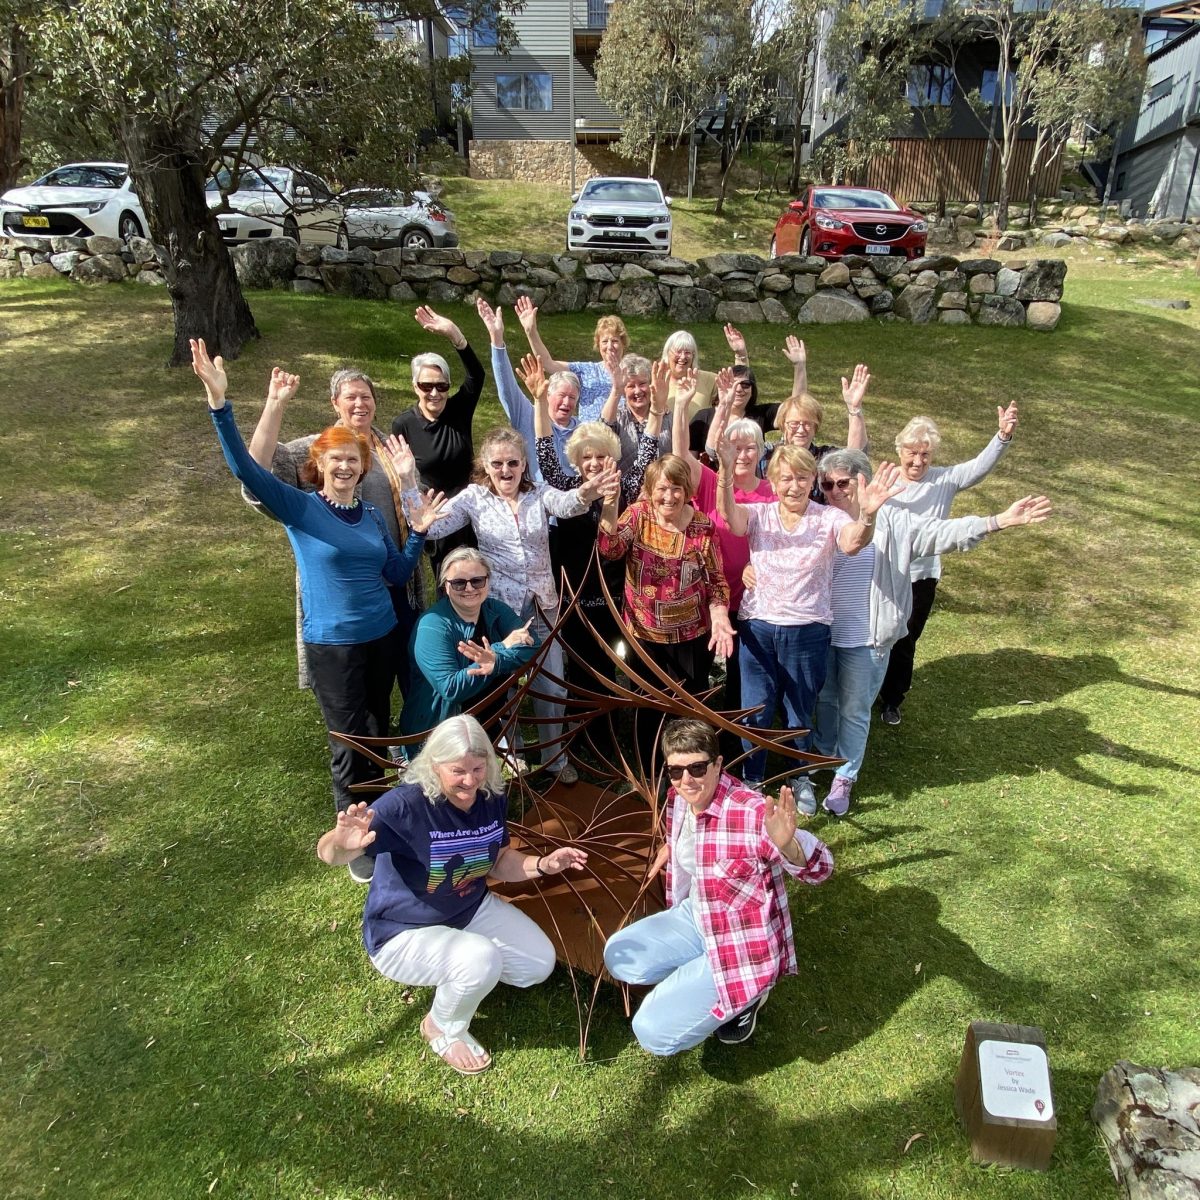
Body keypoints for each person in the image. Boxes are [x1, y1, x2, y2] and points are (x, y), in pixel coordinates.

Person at [192, 339, 445, 883]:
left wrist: (418, 532)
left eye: (355, 461)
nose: (348, 468)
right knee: (348, 740)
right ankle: (354, 843)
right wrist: (224, 406)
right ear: (321, 464)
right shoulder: (301, 509)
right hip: (335, 644)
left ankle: (377, 824)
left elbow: (398, 574)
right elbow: (245, 468)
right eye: (338, 461)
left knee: (377, 732)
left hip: (383, 634)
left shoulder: (371, 518)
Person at [317, 715, 589, 1075]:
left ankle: (468, 972)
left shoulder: (490, 797)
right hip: (401, 932)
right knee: (481, 959)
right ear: (434, 765)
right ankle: (442, 1026)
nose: (470, 780)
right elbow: (329, 854)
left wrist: (542, 865)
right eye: (458, 770)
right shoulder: (404, 806)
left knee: (536, 965)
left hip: (469, 909)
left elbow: (498, 861)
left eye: (478, 768)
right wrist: (341, 843)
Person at [809, 449, 1052, 816]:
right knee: (824, 701)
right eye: (827, 485)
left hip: (869, 638)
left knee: (855, 709)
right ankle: (820, 758)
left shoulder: (895, 522)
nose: (834, 491)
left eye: (843, 483)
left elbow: (942, 533)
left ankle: (845, 775)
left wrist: (996, 520)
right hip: (823, 634)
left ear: (863, 481)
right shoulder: (822, 521)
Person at [399, 427, 619, 783]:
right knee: (503, 684)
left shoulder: (539, 494)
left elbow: (567, 504)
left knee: (553, 683)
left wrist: (587, 492)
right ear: (486, 465)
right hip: (500, 608)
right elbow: (430, 526)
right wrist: (409, 481)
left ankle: (556, 757)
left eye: (513, 463)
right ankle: (509, 752)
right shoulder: (474, 498)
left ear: (523, 464)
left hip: (543, 603)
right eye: (498, 463)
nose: (505, 471)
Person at [603, 719, 833, 1055]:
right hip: (696, 916)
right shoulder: (679, 798)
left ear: (718, 765)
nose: (686, 780)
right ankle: (701, 976)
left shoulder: (751, 814)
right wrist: (673, 846)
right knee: (618, 957)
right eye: (676, 771)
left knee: (651, 1032)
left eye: (697, 768)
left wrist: (788, 846)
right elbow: (692, 841)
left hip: (741, 945)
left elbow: (822, 868)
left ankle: (750, 996)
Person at [714, 438, 903, 814]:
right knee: (756, 709)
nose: (794, 486)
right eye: (786, 478)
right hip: (758, 629)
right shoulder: (760, 514)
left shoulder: (829, 517)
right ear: (774, 480)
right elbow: (731, 519)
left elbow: (852, 544)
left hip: (807, 631)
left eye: (802, 478)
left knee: (800, 709)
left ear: (812, 480)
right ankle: (753, 780)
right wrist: (723, 473)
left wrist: (867, 515)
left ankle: (801, 777)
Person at [243, 362, 425, 693]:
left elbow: (421, 513)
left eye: (366, 396)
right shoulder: (315, 448)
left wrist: (409, 477)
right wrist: (274, 406)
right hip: (345, 591)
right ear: (334, 403)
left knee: (409, 669)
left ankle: (409, 742)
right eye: (351, 397)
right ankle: (364, 742)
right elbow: (258, 477)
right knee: (357, 683)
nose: (360, 404)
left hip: (399, 580)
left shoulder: (391, 450)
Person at [521, 355, 658, 717]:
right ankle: (582, 725)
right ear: (578, 462)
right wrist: (538, 401)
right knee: (580, 663)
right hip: (574, 593)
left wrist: (657, 412)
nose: (594, 463)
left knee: (613, 660)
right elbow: (545, 452)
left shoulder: (626, 486)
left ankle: (612, 722)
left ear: (611, 457)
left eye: (600, 456)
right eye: (587, 458)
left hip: (613, 594)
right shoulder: (566, 487)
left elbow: (645, 453)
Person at [876, 402, 1019, 727]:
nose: (917, 461)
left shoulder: (944, 480)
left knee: (906, 637)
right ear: (899, 450)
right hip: (884, 570)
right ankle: (868, 688)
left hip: (921, 576)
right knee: (877, 631)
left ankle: (893, 698)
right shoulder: (885, 480)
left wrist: (1002, 436)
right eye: (912, 452)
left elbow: (977, 468)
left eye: (925, 454)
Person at [673, 373, 774, 757]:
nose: (743, 453)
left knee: (740, 679)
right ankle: (693, 743)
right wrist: (682, 405)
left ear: (761, 451)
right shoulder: (710, 480)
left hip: (749, 599)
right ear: (723, 449)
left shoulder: (771, 493)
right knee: (695, 673)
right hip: (703, 596)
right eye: (736, 446)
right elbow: (682, 456)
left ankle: (734, 748)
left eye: (751, 447)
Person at [399, 548, 542, 751]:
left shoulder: (495, 609)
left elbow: (533, 644)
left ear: (487, 582)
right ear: (445, 587)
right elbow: (451, 687)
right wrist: (502, 648)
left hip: (485, 717)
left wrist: (495, 662)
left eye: (477, 581)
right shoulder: (432, 626)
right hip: (440, 731)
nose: (469, 588)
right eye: (458, 583)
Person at [391, 305, 487, 582]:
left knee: (480, 577)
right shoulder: (403, 424)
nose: (434, 393)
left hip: (471, 509)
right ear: (415, 386)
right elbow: (401, 471)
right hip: (437, 515)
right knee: (451, 579)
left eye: (442, 386)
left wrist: (455, 335)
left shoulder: (459, 410)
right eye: (426, 386)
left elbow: (476, 376)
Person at [479, 297, 581, 480]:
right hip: (534, 499)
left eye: (572, 397)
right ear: (548, 395)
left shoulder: (582, 429)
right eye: (562, 395)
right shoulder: (528, 416)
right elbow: (507, 389)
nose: (567, 402)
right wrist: (497, 340)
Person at [689, 333, 809, 455]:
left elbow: (796, 407)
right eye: (733, 384)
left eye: (745, 384)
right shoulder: (703, 417)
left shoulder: (760, 414)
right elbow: (690, 458)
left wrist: (799, 366)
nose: (739, 389)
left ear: (753, 390)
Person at [515, 296, 629, 420]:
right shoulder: (587, 370)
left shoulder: (633, 372)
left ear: (623, 343)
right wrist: (531, 332)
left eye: (615, 341)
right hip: (588, 436)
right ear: (598, 345)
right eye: (605, 341)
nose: (610, 346)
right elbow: (548, 364)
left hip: (620, 437)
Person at [761, 365, 872, 491]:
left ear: (816, 427)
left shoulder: (825, 458)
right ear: (782, 424)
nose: (801, 430)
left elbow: (855, 458)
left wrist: (854, 409)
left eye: (808, 424)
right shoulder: (765, 454)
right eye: (794, 423)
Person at [600, 353, 672, 476]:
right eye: (631, 386)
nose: (638, 391)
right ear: (624, 390)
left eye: (642, 383)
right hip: (624, 490)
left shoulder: (667, 416)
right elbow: (602, 432)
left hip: (661, 488)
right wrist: (616, 390)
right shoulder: (617, 416)